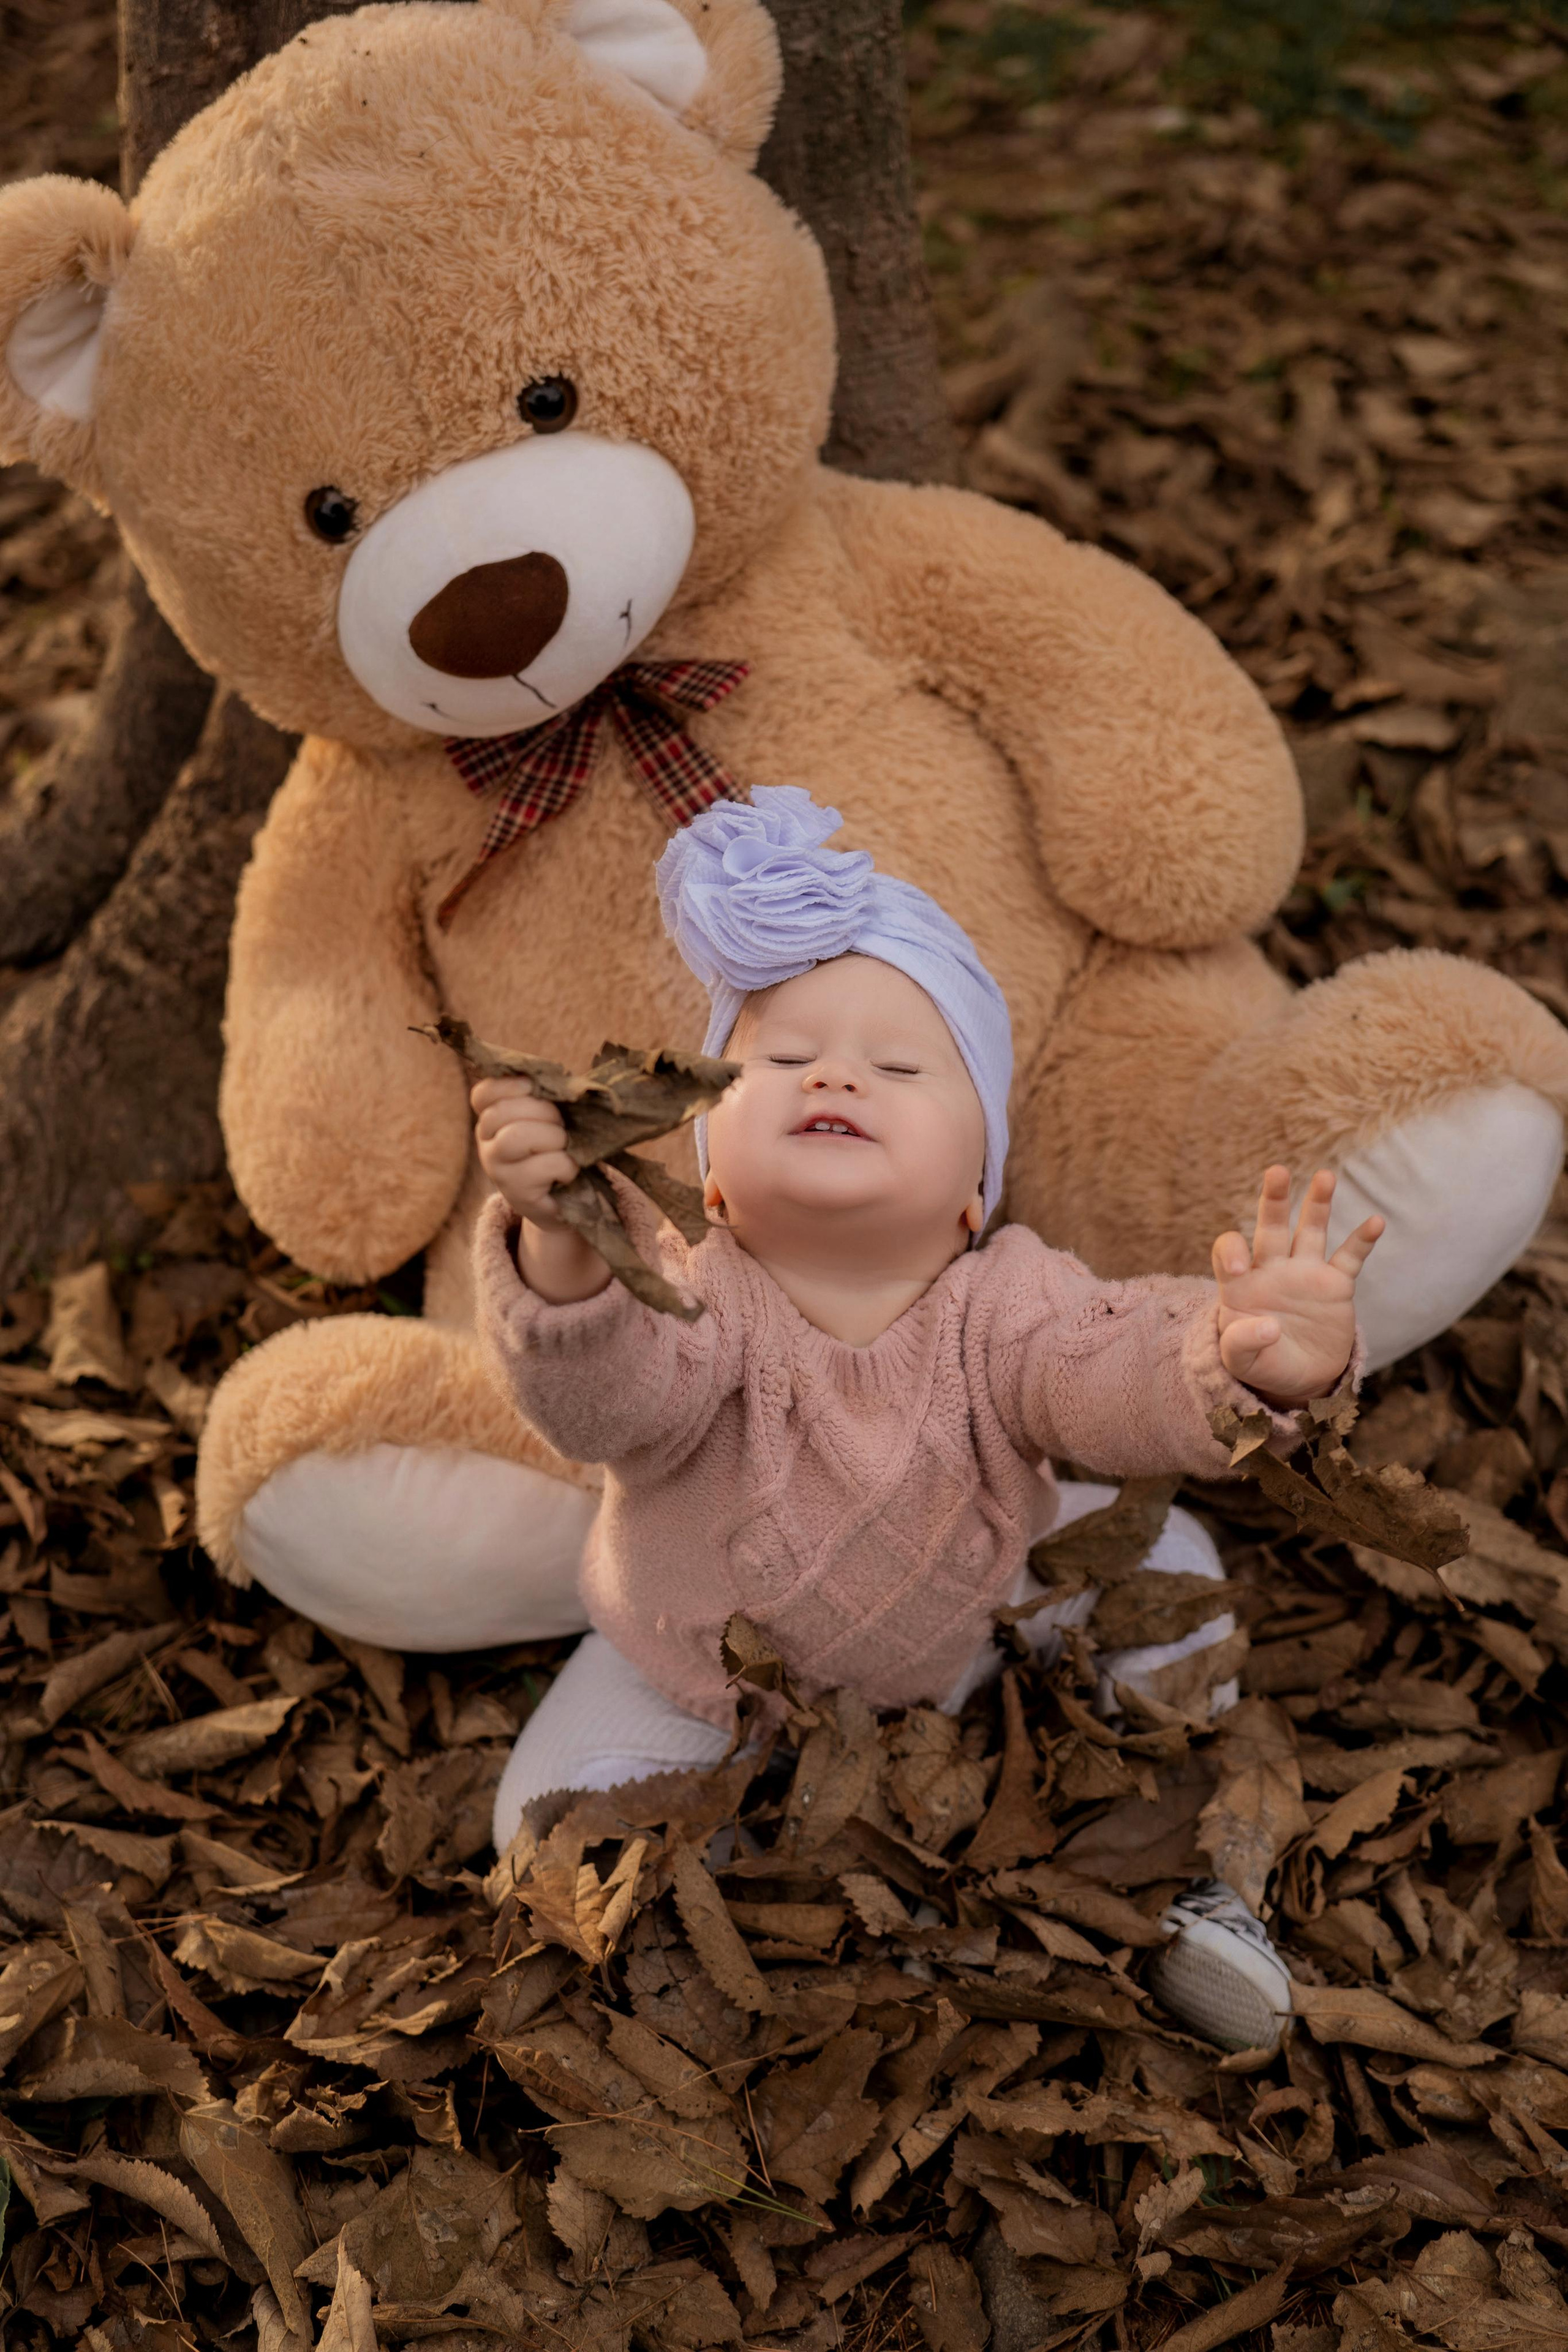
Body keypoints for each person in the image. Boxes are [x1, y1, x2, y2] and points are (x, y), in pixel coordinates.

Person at [470, 788, 1382, 2050]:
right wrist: (568, 1243)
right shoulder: (696, 1295)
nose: (835, 1074)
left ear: (972, 1189)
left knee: (1175, 1562)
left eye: (899, 1068)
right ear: (713, 1176)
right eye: (781, 1059)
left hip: (970, 1633)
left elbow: (1107, 1366)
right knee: (544, 1817)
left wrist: (1240, 1358)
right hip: (691, 1674)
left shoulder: (1004, 1305)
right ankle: (712, 1938)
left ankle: (1184, 1870)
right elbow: (604, 1400)